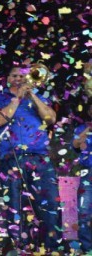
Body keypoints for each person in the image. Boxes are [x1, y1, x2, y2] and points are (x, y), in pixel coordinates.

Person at [0, 64, 61, 251]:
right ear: (8, 79)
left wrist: (33, 96)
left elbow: (50, 119)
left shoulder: (39, 97)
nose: (19, 79)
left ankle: (51, 247)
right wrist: (17, 98)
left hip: (40, 158)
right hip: (12, 159)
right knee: (15, 205)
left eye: (23, 76)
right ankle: (18, 246)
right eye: (14, 76)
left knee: (50, 202)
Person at [72, 102, 92, 254]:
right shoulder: (81, 128)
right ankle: (87, 248)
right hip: (88, 173)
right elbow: (76, 144)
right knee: (84, 212)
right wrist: (88, 129)